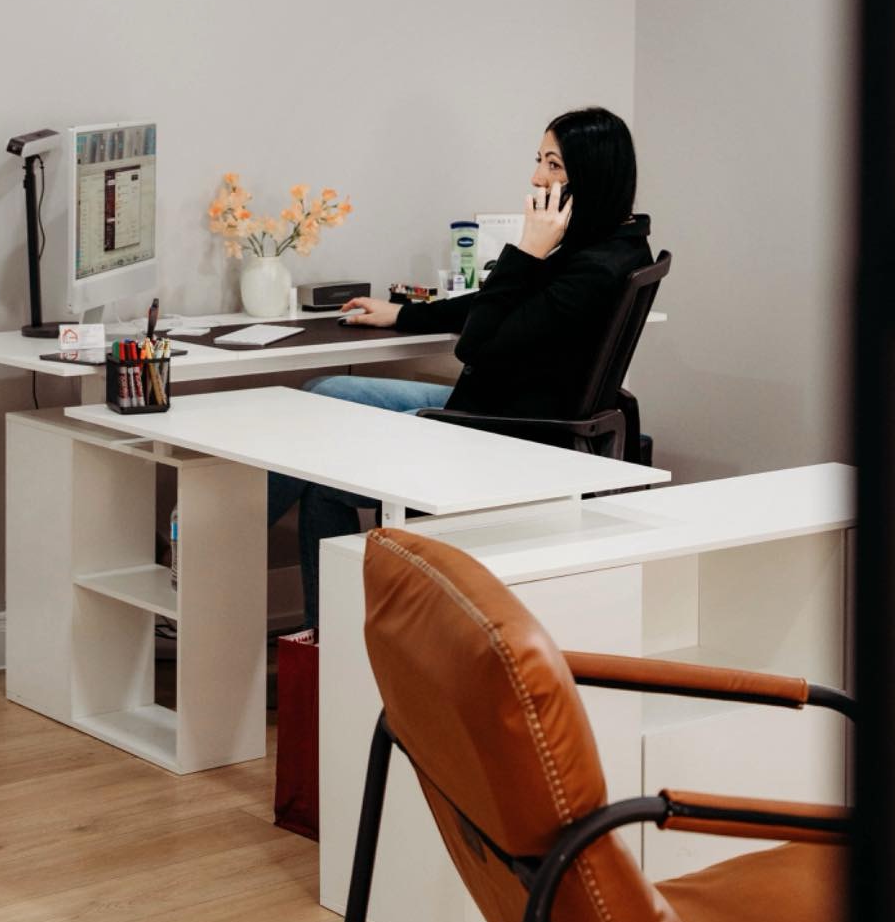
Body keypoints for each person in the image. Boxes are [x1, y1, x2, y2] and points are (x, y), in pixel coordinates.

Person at [267, 106, 651, 630]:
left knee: (319, 437)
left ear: (594, 174)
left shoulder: (592, 270)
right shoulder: (608, 243)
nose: (538, 177)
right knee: (319, 396)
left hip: (498, 436)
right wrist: (404, 313)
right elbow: (499, 304)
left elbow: (479, 344)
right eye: (539, 160)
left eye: (555, 166)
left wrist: (525, 250)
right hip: (492, 411)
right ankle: (323, 644)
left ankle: (224, 553)